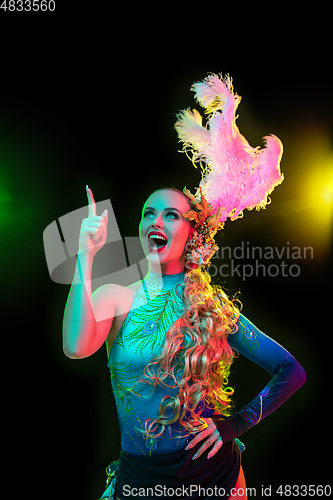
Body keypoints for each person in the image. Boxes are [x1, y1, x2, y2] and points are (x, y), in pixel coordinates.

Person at [62, 74, 306, 500]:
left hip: (217, 481)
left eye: (171, 215)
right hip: (140, 482)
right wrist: (85, 255)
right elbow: (76, 346)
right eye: (148, 212)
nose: (156, 221)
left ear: (192, 233)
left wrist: (234, 425)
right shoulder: (114, 294)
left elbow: (292, 370)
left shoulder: (212, 309)